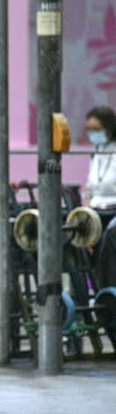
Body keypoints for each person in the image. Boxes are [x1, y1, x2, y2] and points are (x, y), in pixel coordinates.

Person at [84, 105, 116, 287]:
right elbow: (90, 188)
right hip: (96, 212)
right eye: (89, 130)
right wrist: (86, 213)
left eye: (96, 130)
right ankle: (95, 292)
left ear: (109, 128)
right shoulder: (97, 152)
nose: (92, 134)